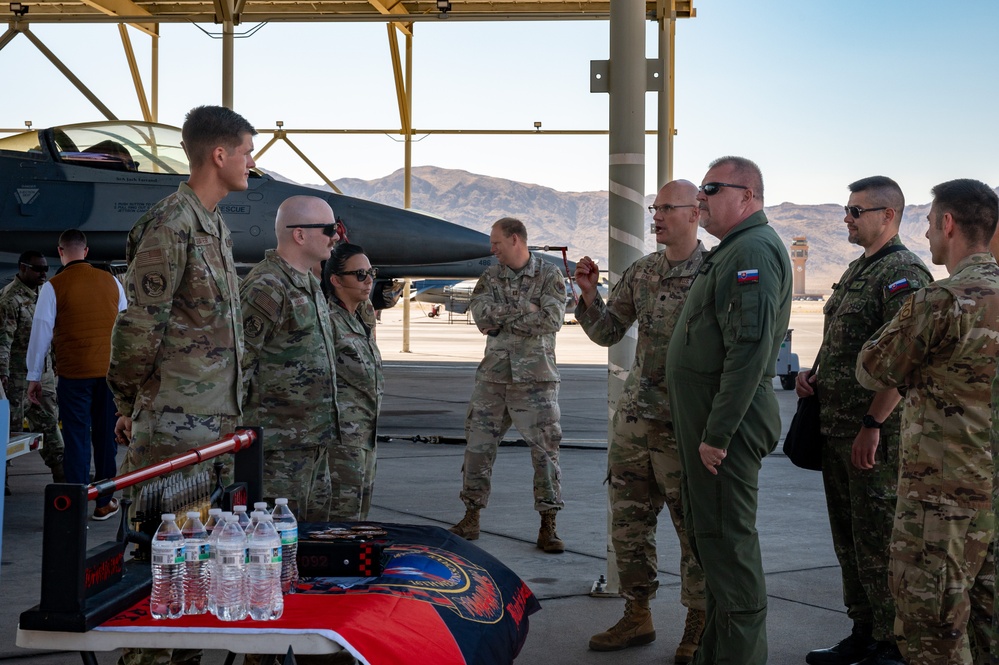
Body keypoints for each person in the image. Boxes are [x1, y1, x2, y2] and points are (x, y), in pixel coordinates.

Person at [108, 105, 255, 665]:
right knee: (158, 572)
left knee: (194, 569)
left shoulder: (212, 224)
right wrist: (130, 402)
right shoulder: (170, 224)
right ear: (219, 155)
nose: (250, 161)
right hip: (170, 432)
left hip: (209, 433)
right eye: (246, 151)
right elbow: (139, 326)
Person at [857, 178, 999, 665]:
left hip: (941, 502)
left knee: (931, 633)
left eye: (929, 223)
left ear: (949, 224)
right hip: (991, 495)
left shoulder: (940, 302)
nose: (927, 238)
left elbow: (872, 368)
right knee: (988, 629)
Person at [799, 176, 932, 665]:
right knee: (850, 540)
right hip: (836, 429)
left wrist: (873, 425)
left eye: (857, 211)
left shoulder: (903, 273)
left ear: (888, 216)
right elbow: (843, 337)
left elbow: (908, 359)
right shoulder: (859, 269)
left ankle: (892, 644)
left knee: (879, 540)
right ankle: (862, 630)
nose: (848, 219)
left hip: (874, 437)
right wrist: (813, 375)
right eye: (847, 210)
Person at [663, 156, 791, 664]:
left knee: (729, 552)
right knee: (713, 550)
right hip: (713, 427)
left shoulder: (751, 251)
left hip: (726, 431)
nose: (701, 199)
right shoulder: (733, 250)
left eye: (712, 189)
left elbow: (749, 349)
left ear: (748, 197)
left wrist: (716, 433)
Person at [575, 180, 708, 661]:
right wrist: (589, 296)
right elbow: (609, 331)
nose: (656, 216)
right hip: (636, 420)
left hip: (684, 422)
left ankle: (698, 623)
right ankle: (638, 615)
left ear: (696, 213)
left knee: (692, 528)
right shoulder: (643, 271)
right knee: (629, 523)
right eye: (655, 208)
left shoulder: (713, 271)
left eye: (666, 208)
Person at [449, 217, 568, 553]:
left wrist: (504, 315)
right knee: (477, 449)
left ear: (515, 240)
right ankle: (471, 516)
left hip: (536, 381)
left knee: (545, 455)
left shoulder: (549, 275)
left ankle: (549, 525)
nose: (492, 249)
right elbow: (482, 317)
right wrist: (523, 309)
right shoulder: (490, 277)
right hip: (493, 378)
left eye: (497, 243)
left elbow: (552, 319)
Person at [240, 195, 340, 522]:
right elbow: (238, 363)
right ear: (300, 235)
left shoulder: (308, 282)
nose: (336, 236)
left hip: (312, 442)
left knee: (312, 540)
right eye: (329, 229)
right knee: (277, 544)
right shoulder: (268, 286)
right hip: (278, 450)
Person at [25, 230, 126, 518]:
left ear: (60, 252)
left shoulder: (53, 286)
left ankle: (76, 503)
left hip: (74, 375)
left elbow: (41, 332)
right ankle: (105, 501)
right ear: (86, 251)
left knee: (76, 437)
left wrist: (34, 376)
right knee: (107, 438)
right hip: (108, 375)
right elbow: (125, 326)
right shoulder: (112, 282)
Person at [322, 243, 384, 521]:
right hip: (341, 440)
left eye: (371, 272)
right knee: (342, 517)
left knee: (360, 515)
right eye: (360, 274)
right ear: (336, 280)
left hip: (365, 435)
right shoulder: (327, 320)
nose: (369, 280)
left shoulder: (362, 315)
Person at [0, 251, 65, 482]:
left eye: (46, 269)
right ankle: (2, 477)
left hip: (43, 375)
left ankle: (61, 475)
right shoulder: (9, 299)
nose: (43, 273)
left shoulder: (45, 294)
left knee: (50, 423)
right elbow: (4, 340)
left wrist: (55, 361)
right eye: (38, 269)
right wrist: (3, 373)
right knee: (9, 431)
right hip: (17, 377)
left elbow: (51, 333)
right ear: (23, 268)